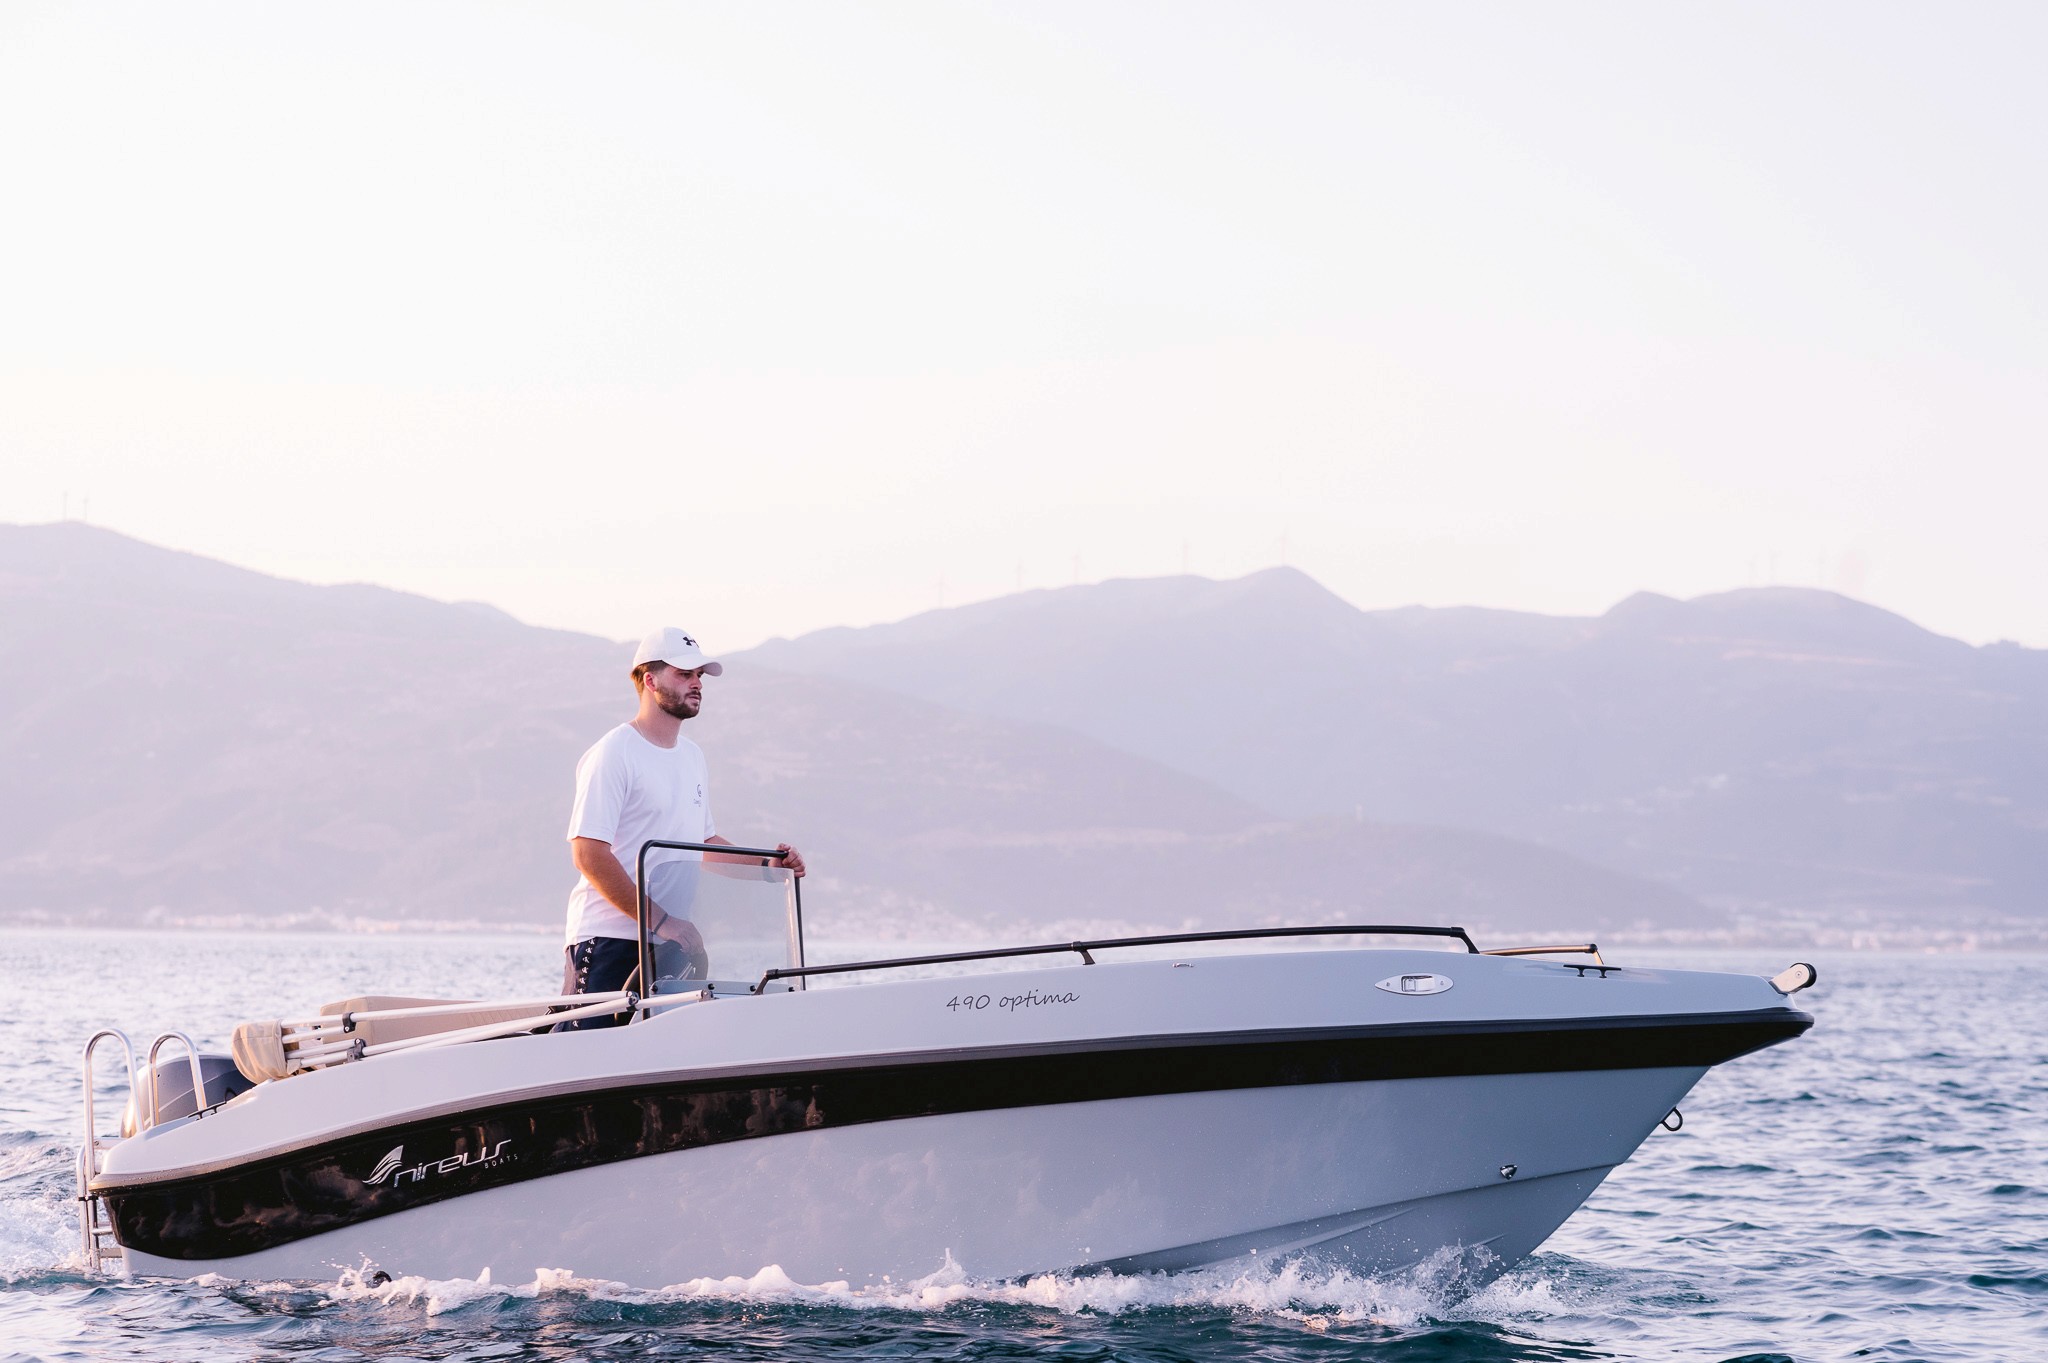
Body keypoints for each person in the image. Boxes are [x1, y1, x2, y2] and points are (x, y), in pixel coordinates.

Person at [558, 626, 804, 1028]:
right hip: (608, 940)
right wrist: (662, 921)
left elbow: (703, 846)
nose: (697, 684)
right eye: (684, 673)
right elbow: (588, 853)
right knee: (585, 1054)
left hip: (670, 945)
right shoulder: (614, 752)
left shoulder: (692, 757)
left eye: (700, 676)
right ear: (649, 680)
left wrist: (769, 867)